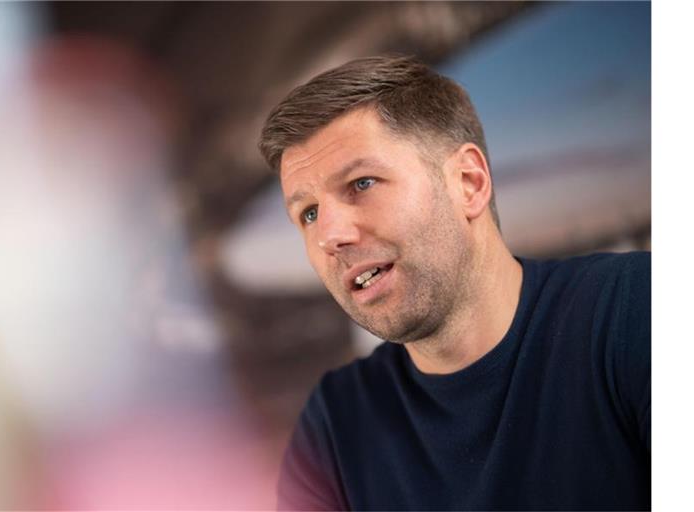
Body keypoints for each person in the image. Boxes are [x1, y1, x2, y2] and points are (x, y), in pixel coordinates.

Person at [258, 55, 650, 511]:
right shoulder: (334, 424)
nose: (329, 235)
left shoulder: (636, 310)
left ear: (468, 182)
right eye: (308, 213)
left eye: (362, 183)